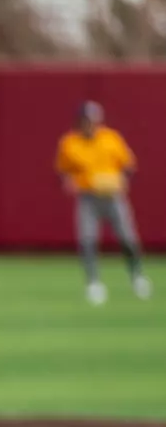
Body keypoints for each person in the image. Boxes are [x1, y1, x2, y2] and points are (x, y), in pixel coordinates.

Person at [56, 100, 151, 305]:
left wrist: (123, 180)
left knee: (127, 238)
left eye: (93, 119)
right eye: (86, 119)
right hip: (88, 196)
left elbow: (128, 165)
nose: (90, 123)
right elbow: (62, 170)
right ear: (79, 120)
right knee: (88, 240)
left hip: (113, 195)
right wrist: (68, 182)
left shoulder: (111, 138)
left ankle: (137, 277)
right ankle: (93, 283)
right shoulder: (70, 142)